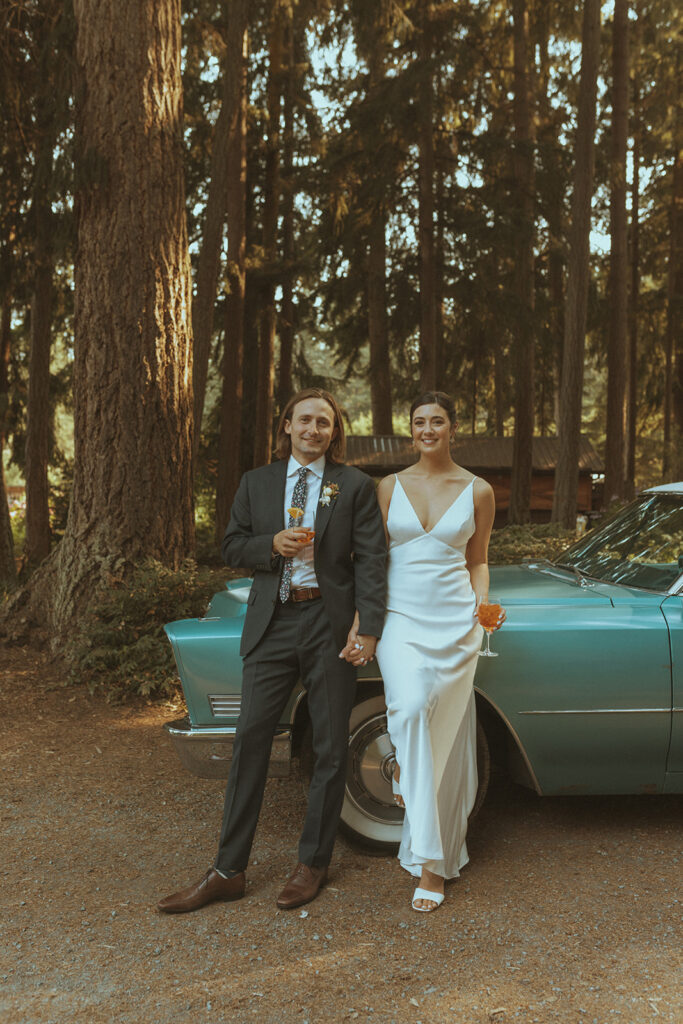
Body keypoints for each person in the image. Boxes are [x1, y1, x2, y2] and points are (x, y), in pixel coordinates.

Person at [158, 388, 386, 914]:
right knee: (250, 742)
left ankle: (312, 863)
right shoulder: (256, 483)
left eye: (323, 423)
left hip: (329, 626)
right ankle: (228, 869)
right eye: (304, 419)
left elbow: (372, 560)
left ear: (334, 432)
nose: (313, 429)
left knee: (330, 748)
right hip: (272, 623)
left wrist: (367, 627)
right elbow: (232, 544)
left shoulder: (353, 486)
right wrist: (271, 546)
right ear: (286, 425)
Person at [375, 391, 503, 913]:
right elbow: (373, 559)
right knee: (406, 708)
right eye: (419, 422)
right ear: (412, 431)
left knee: (445, 736)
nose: (428, 429)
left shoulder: (478, 490)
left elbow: (478, 561)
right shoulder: (389, 486)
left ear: (454, 429)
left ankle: (432, 866)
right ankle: (404, 766)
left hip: (455, 623)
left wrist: (483, 604)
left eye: (438, 421)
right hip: (400, 619)